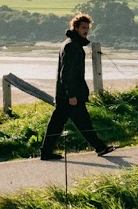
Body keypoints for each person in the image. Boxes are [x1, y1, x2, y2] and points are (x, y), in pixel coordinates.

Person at [40, 13, 117, 161]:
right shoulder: (71, 46)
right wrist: (71, 95)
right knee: (80, 121)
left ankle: (46, 151)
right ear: (75, 27)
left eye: (87, 28)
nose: (86, 31)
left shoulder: (71, 44)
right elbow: (66, 74)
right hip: (70, 95)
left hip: (67, 94)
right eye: (83, 27)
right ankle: (100, 147)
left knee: (59, 123)